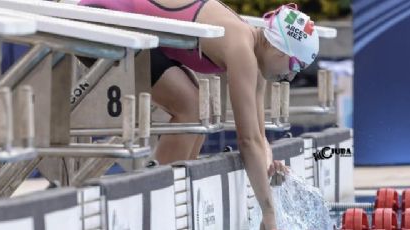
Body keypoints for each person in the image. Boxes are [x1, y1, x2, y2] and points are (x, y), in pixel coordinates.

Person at [78, 0, 319, 229]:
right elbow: (246, 141)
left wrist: (269, 163)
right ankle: (156, 204)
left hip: (123, 23)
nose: (290, 77)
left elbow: (258, 137)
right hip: (102, 19)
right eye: (294, 67)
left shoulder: (252, 51)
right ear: (279, 52)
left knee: (198, 109)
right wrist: (269, 215)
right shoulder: (242, 49)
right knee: (191, 107)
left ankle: (170, 199)